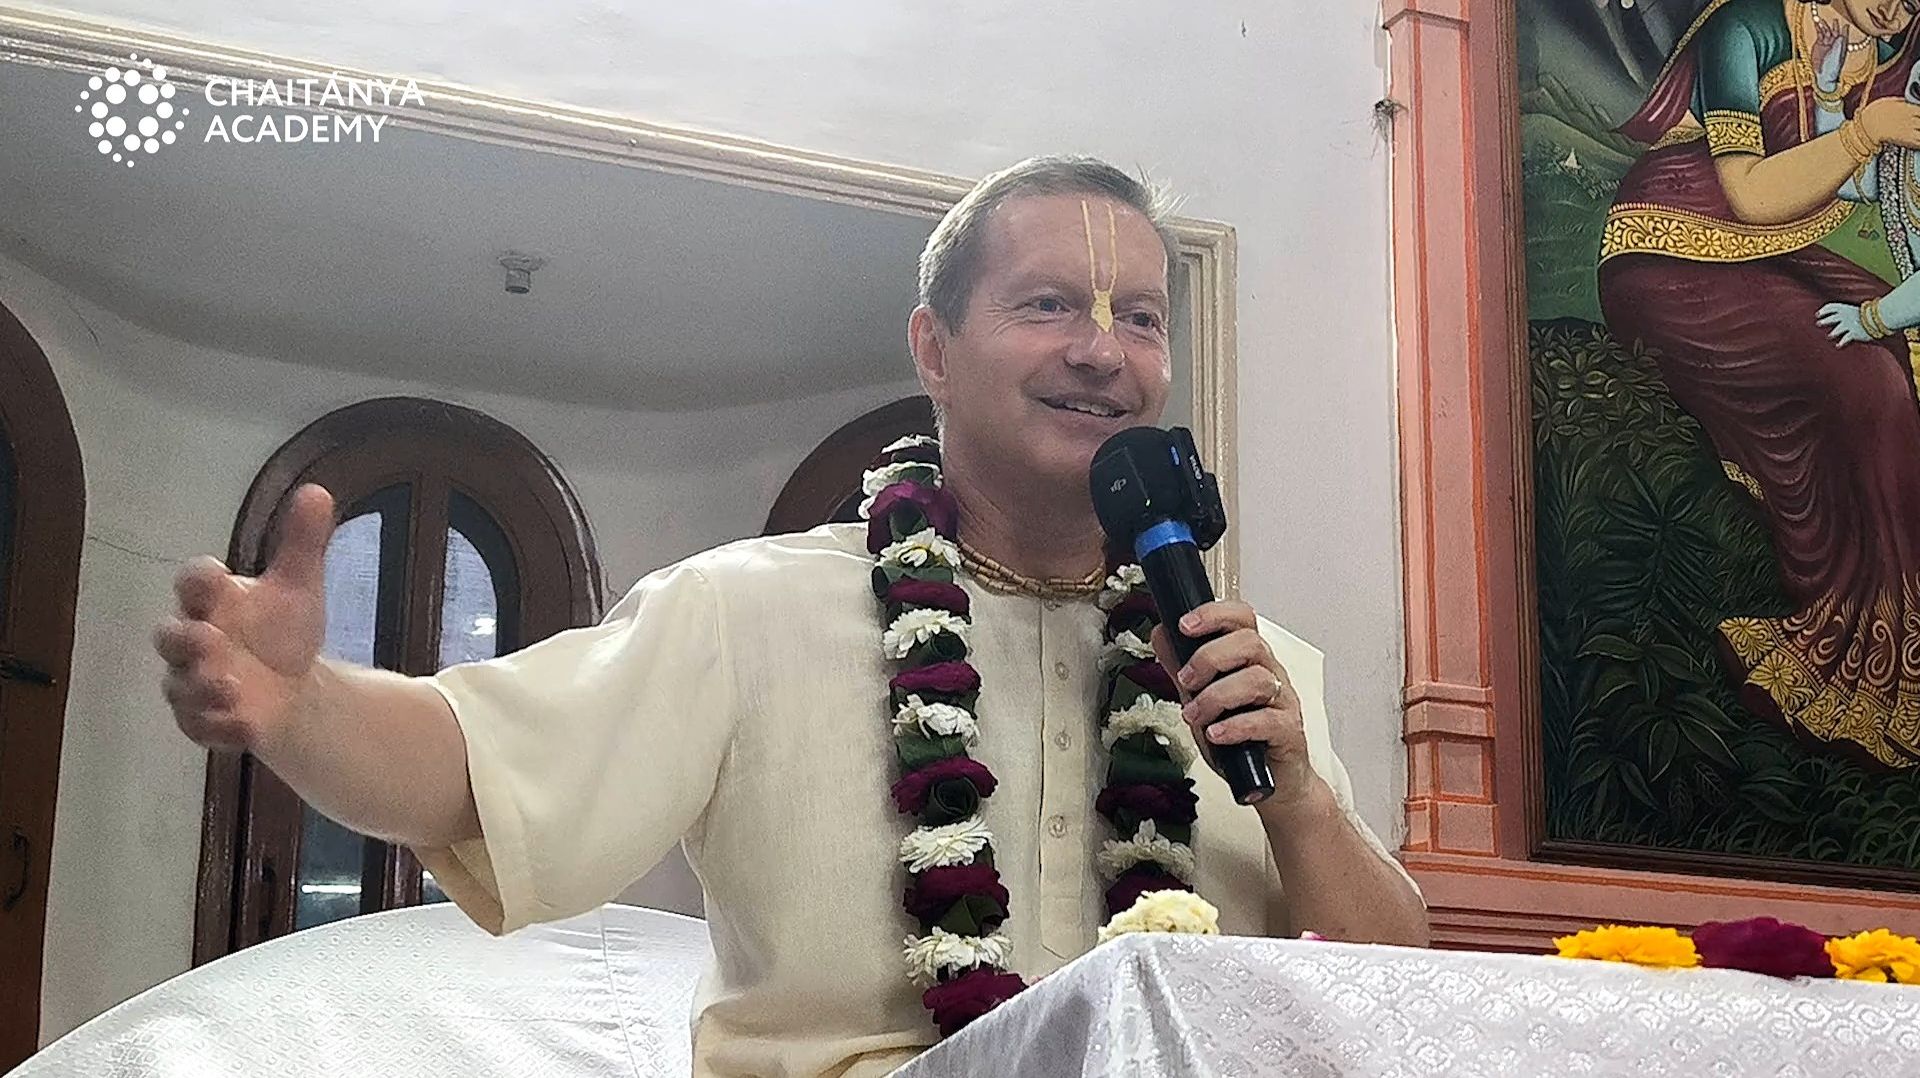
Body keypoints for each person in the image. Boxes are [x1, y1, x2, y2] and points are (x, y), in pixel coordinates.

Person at [156, 155, 1429, 1077]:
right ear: (934, 350)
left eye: (1139, 318)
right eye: (1048, 304)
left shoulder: (1246, 664)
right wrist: (305, 705)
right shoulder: (746, 612)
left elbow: (1388, 989)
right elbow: (477, 765)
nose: (1103, 350)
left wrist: (1298, 798)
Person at [1601, 0, 1920, 768]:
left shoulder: (1885, 50)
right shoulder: (1745, 29)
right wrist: (1865, 131)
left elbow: (1853, 185)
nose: (1897, 8)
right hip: (1672, 253)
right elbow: (1748, 194)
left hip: (1777, 249)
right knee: (1870, 384)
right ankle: (1872, 649)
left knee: (1901, 352)